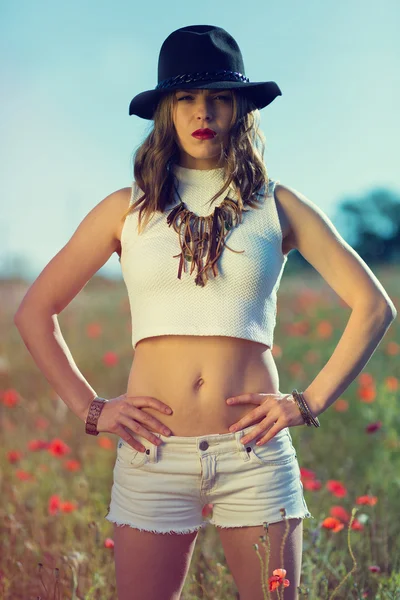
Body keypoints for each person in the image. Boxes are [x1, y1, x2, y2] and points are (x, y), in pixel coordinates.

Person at [14, 24, 397, 600]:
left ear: (240, 107)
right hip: (152, 454)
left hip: (255, 455)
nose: (204, 111)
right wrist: (90, 409)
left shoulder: (278, 204)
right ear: (166, 110)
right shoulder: (127, 210)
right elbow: (35, 310)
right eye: (187, 98)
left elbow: (374, 306)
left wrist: (307, 402)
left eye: (219, 96)